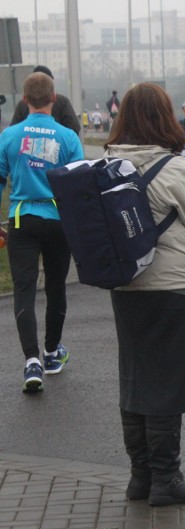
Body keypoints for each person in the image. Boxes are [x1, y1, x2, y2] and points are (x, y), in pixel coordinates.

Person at [103, 82, 185, 507]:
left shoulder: (106, 166)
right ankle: (166, 479)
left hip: (125, 287)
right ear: (164, 118)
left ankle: (140, 477)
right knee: (168, 384)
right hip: (175, 287)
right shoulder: (175, 170)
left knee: (136, 379)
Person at [0, 71, 84, 393]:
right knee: (55, 286)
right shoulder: (68, 138)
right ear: (54, 98)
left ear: (24, 100)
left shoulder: (9, 136)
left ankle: (30, 361)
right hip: (57, 220)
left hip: (22, 219)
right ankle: (51, 353)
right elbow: (78, 188)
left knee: (24, 289)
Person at [11, 65, 81, 134]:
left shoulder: (22, 104)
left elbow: (13, 129)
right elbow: (74, 127)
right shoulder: (62, 101)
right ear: (53, 97)